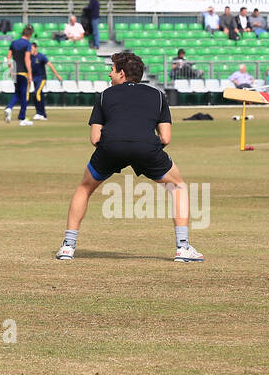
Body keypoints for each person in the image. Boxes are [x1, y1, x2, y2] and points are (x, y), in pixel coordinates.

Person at [54, 51, 204, 263]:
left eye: (112, 70)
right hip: (146, 147)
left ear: (122, 74)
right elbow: (166, 137)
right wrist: (144, 145)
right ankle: (183, 248)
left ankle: (68, 247)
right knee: (178, 187)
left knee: (85, 188)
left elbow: (94, 138)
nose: (109, 74)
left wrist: (115, 144)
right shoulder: (159, 95)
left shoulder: (105, 95)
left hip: (111, 146)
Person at [4, 25, 35, 126]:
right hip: (23, 73)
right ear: (29, 34)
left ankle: (9, 108)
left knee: (17, 93)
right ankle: (22, 118)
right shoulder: (28, 44)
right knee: (24, 95)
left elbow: (8, 58)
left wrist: (11, 69)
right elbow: (27, 59)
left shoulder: (14, 43)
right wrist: (30, 74)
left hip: (15, 72)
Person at [27, 42, 63, 120]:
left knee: (37, 93)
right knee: (37, 95)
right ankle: (42, 114)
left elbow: (50, 65)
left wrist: (57, 75)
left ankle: (40, 113)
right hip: (35, 79)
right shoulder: (29, 57)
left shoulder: (41, 56)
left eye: (32, 48)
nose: (30, 50)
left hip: (42, 78)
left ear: (36, 48)